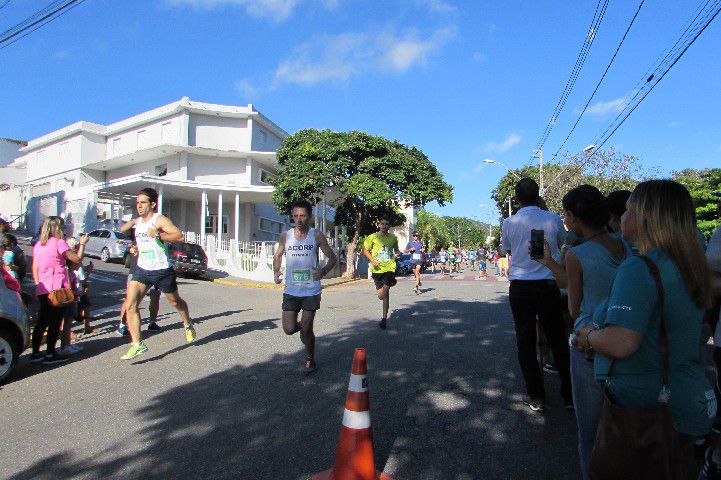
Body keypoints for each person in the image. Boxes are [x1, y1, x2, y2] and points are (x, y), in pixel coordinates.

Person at [575, 180, 716, 479]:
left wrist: (587, 336)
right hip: (687, 397)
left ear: (646, 217)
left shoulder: (639, 268)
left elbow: (622, 342)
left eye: (627, 210)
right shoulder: (689, 265)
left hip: (644, 408)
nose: (621, 218)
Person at [535, 185, 632, 479]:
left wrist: (549, 262)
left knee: (589, 428)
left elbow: (575, 307)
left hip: (589, 342)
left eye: (566, 213)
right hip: (623, 336)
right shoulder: (625, 246)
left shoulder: (578, 253)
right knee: (621, 423)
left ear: (573, 217)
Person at [501, 178, 572, 412]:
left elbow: (509, 249)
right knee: (557, 338)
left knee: (525, 340)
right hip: (547, 284)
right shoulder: (552, 218)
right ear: (538, 195)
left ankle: (536, 395)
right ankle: (570, 394)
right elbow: (562, 243)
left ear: (517, 198)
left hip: (521, 286)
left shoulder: (509, 222)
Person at [118, 188, 196, 360]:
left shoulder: (159, 219)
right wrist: (136, 248)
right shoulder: (138, 222)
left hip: (161, 270)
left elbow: (179, 236)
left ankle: (188, 323)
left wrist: (159, 235)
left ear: (152, 204)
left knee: (175, 301)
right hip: (142, 269)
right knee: (130, 305)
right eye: (137, 203)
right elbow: (143, 241)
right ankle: (137, 344)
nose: (139, 206)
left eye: (143, 202)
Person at [273, 199, 337, 373]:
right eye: (295, 216)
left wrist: (322, 272)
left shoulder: (316, 235)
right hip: (291, 290)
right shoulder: (285, 236)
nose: (299, 220)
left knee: (308, 328)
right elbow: (278, 256)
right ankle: (302, 329)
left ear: (308, 216)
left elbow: (333, 258)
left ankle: (310, 358)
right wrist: (276, 272)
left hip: (311, 289)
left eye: (302, 216)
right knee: (288, 328)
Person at [30, 216, 89, 364]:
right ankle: (50, 354)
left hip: (43, 288)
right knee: (55, 322)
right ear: (57, 228)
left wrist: (38, 283)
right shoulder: (59, 243)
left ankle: (35, 354)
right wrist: (82, 244)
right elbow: (76, 259)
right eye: (62, 227)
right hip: (58, 289)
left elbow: (35, 266)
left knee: (42, 321)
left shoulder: (38, 245)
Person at [363, 217, 401, 330]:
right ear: (379, 225)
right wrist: (372, 260)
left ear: (389, 226)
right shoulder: (372, 237)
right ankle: (385, 291)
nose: (384, 226)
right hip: (376, 269)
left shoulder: (393, 238)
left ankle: (384, 318)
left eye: (386, 224)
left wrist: (399, 253)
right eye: (382, 224)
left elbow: (396, 250)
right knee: (382, 296)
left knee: (386, 290)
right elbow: (365, 250)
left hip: (389, 267)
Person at [117, 243, 161, 335]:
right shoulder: (141, 233)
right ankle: (122, 325)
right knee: (130, 299)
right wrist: (130, 250)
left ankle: (152, 323)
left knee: (155, 297)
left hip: (154, 271)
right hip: (136, 272)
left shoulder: (159, 237)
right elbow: (129, 246)